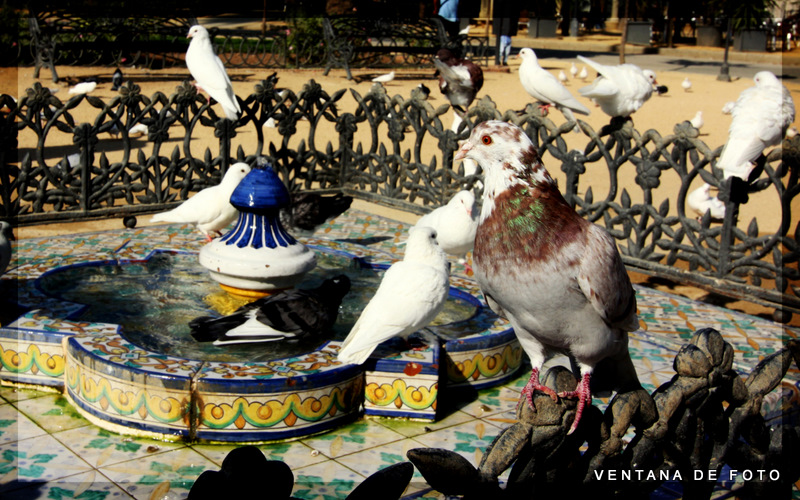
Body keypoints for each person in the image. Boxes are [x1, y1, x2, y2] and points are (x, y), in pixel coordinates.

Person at [492, 0, 519, 66]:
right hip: (503, 35)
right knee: (501, 50)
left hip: (508, 35)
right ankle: (499, 60)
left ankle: (504, 61)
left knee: (507, 51)